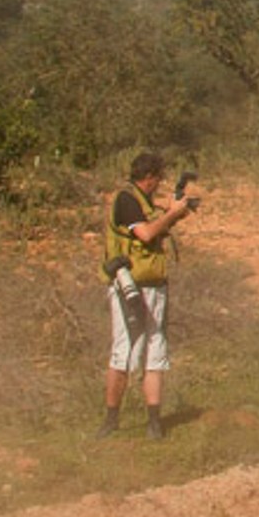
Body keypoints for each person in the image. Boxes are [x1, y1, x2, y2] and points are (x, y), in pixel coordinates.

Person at [98, 152, 199, 440]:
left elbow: (155, 232)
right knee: (124, 351)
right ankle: (111, 419)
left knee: (156, 350)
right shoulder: (127, 201)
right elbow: (144, 234)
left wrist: (173, 215)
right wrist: (173, 213)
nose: (160, 184)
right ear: (151, 177)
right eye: (159, 178)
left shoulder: (141, 202)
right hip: (130, 284)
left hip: (154, 284)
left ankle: (154, 421)